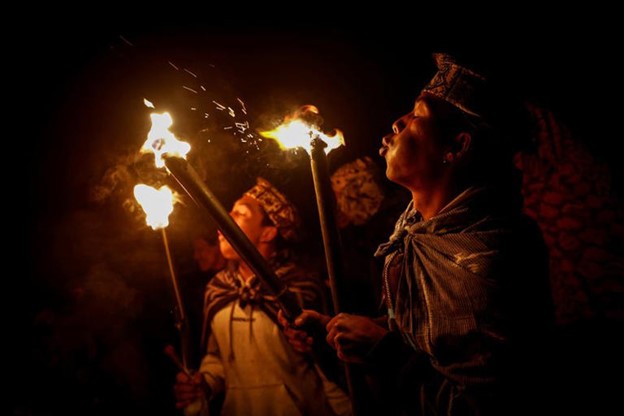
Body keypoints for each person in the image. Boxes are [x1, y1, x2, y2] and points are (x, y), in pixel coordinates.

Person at [280, 53, 554, 415]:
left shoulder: (486, 259)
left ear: (455, 147)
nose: (398, 122)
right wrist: (338, 335)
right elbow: (425, 341)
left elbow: (488, 402)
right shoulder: (416, 232)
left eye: (417, 116)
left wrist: (384, 351)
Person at [174, 177, 350, 415]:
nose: (224, 218)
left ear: (268, 232)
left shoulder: (299, 290)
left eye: (240, 213)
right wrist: (204, 383)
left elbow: (331, 366)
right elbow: (218, 359)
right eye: (230, 211)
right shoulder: (217, 290)